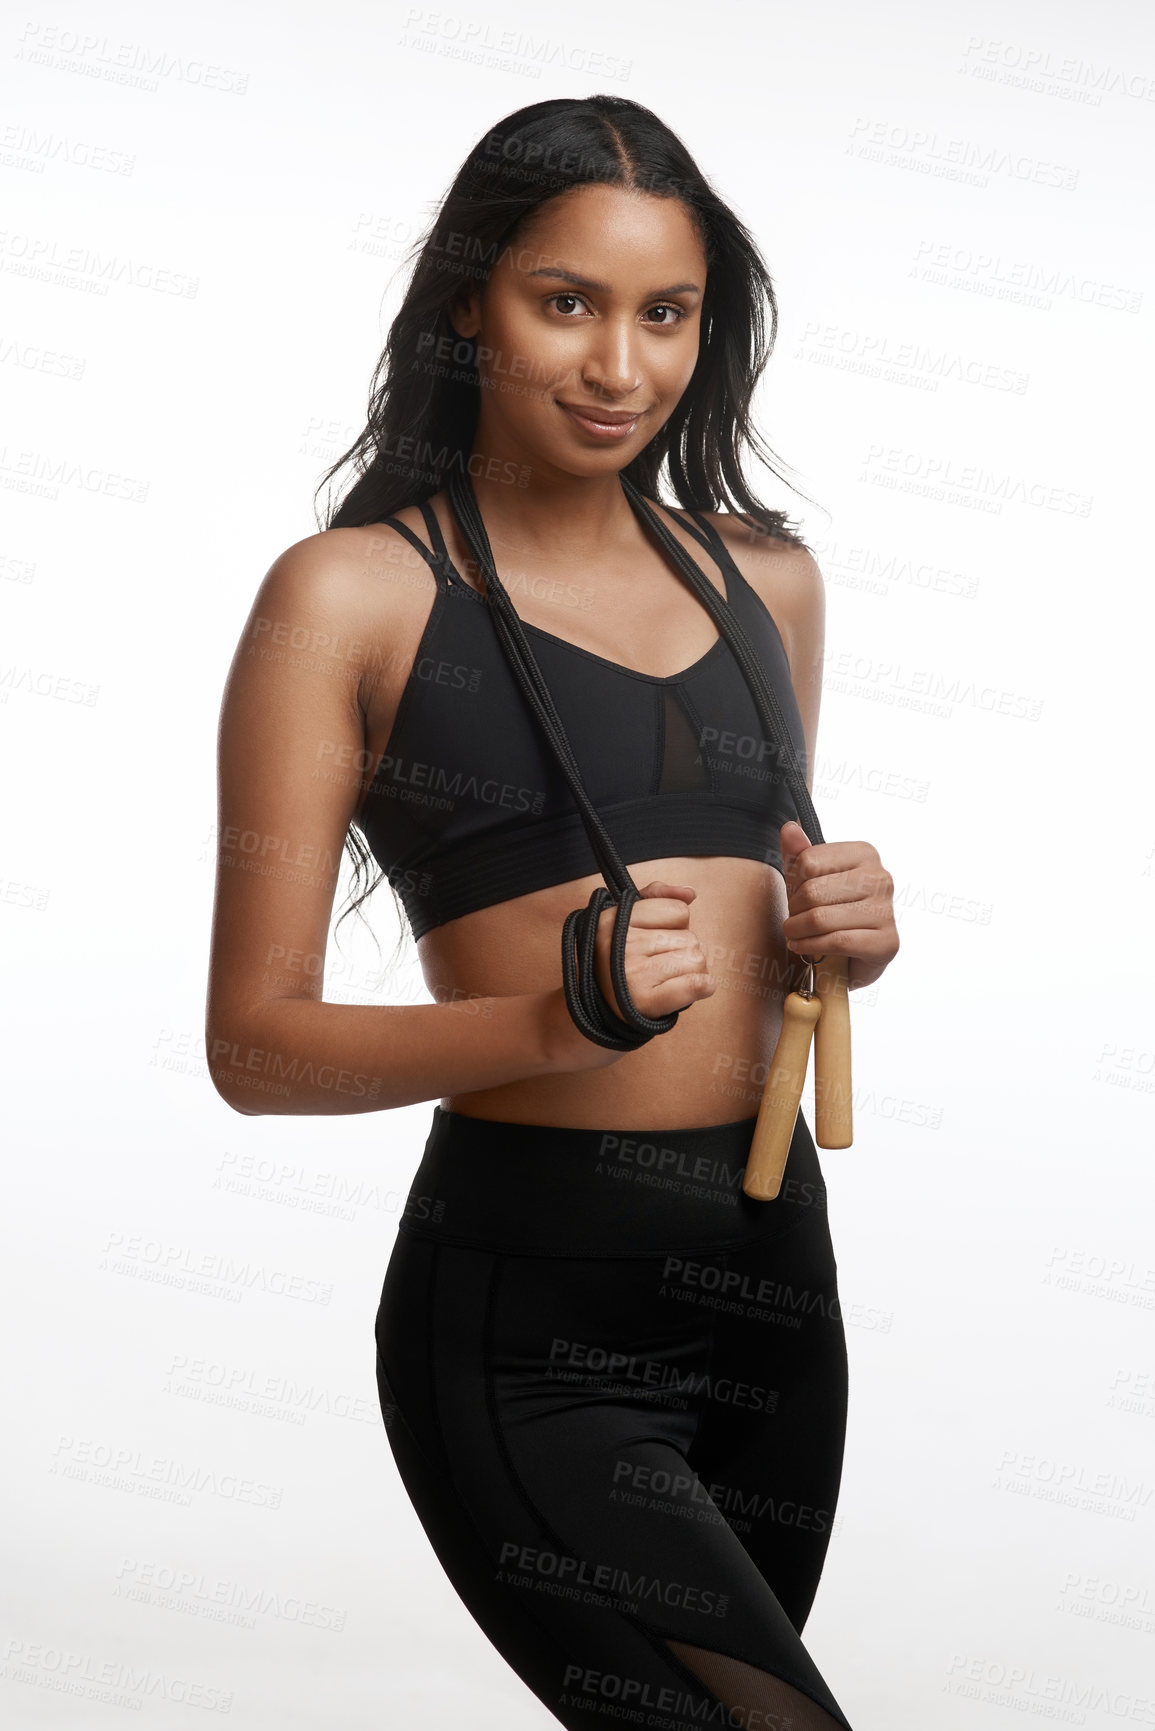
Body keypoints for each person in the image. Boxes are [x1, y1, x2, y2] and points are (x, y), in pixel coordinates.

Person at [207, 94, 899, 1731]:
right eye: (565, 302)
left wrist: (844, 942)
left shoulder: (764, 580)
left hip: (773, 1277)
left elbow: (754, 929)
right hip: (535, 1315)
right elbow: (253, 1046)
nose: (620, 368)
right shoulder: (352, 595)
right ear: (469, 300)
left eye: (666, 315)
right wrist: (553, 1020)